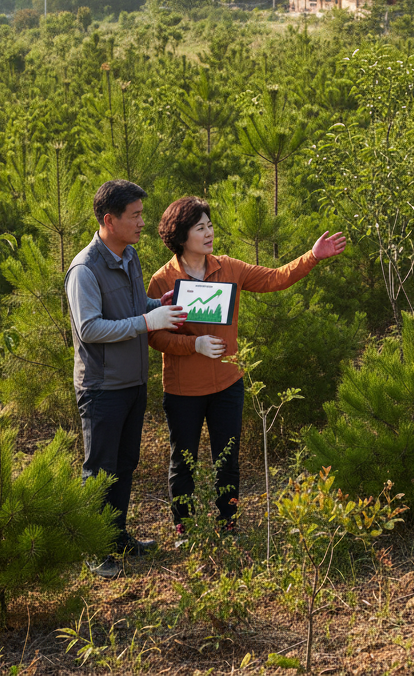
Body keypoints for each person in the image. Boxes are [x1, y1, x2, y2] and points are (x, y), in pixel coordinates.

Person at [147, 196, 346, 539]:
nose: (209, 233)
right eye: (200, 228)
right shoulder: (163, 280)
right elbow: (154, 336)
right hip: (183, 389)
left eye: (210, 225)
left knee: (228, 460)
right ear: (181, 236)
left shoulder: (228, 268)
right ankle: (185, 529)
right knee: (183, 462)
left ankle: (229, 525)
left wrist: (312, 256)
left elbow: (275, 278)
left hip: (227, 383)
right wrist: (192, 344)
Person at [65, 179, 186, 578]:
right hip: (102, 387)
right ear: (109, 220)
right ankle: (92, 547)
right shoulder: (85, 269)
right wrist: (147, 321)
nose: (141, 223)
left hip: (132, 382)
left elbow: (134, 307)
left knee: (125, 464)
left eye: (141, 214)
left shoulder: (129, 256)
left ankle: (116, 538)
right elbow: (90, 329)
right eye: (134, 216)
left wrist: (158, 304)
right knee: (99, 469)